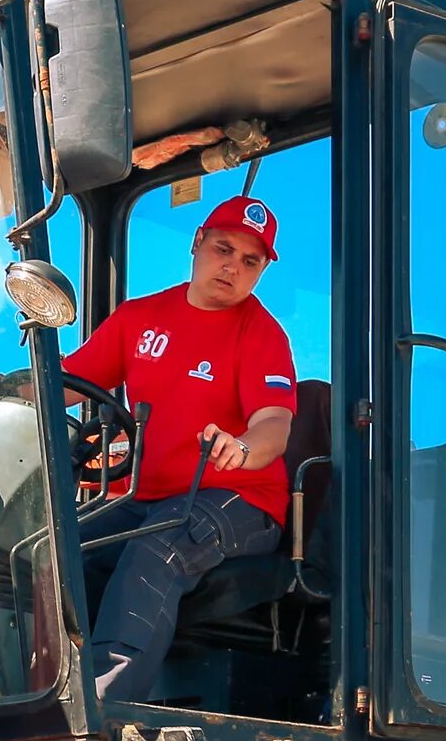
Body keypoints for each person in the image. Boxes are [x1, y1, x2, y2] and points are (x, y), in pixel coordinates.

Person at [56, 194, 301, 702]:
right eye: (223, 248)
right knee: (61, 548)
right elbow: (67, 381)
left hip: (240, 499)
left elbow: (274, 425)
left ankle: (103, 703)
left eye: (250, 261)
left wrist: (241, 446)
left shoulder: (263, 335)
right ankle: (38, 688)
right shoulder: (139, 319)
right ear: (197, 244)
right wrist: (11, 388)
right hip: (150, 497)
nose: (232, 266)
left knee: (161, 546)